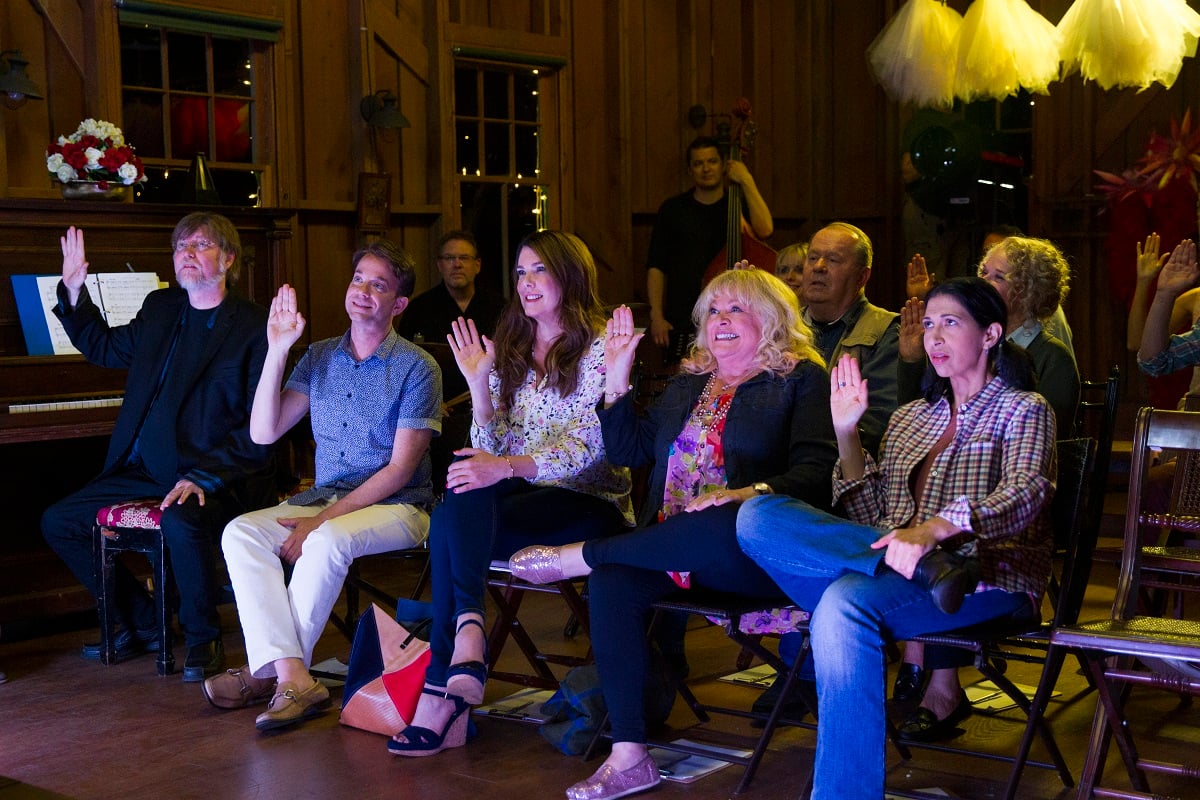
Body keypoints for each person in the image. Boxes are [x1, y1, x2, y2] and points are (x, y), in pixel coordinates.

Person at [507, 268, 837, 800]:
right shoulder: (691, 383)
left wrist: (744, 493)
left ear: (772, 319)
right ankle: (629, 755)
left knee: (715, 521)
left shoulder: (799, 380)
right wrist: (616, 380)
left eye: (736, 309)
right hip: (669, 555)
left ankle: (583, 555)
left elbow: (816, 473)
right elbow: (628, 452)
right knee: (614, 580)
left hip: (751, 557)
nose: (720, 321)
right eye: (713, 311)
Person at [737, 277, 1056, 800]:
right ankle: (929, 567)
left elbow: (1029, 492)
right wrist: (846, 432)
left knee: (839, 605)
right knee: (756, 515)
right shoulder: (910, 418)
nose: (933, 336)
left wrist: (937, 528)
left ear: (992, 333)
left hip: (985, 579)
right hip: (903, 570)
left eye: (949, 322)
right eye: (928, 324)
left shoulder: (1024, 408)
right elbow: (870, 516)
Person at [387, 230, 633, 758]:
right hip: (523, 495)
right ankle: (469, 636)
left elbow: (593, 448)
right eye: (520, 273)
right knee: (465, 485)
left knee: (461, 512)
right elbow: (489, 445)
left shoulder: (601, 346)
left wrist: (503, 467)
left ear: (571, 275)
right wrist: (479, 386)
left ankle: (443, 690)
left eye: (539, 270)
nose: (526, 283)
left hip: (590, 504)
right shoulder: (515, 346)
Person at [202, 241, 441, 731]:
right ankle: (293, 676)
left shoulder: (419, 367)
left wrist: (319, 521)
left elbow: (398, 471)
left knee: (326, 539)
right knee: (239, 533)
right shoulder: (319, 356)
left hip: (399, 506)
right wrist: (276, 349)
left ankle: (267, 676)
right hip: (324, 499)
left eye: (380, 285)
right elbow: (263, 432)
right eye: (359, 279)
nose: (364, 291)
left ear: (399, 304)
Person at [41, 214, 275, 683]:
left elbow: (260, 428)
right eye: (180, 245)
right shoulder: (161, 306)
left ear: (228, 258)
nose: (186, 253)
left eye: (200, 245)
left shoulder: (254, 326)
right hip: (143, 466)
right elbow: (106, 349)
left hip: (214, 474)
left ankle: (203, 638)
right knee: (59, 520)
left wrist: (202, 477)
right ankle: (146, 621)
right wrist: (73, 292)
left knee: (180, 519)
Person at [892, 236, 1079, 718]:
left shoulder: (1034, 380)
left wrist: (939, 524)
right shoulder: (934, 398)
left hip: (1005, 524)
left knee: (959, 490)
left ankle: (932, 673)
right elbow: (917, 421)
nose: (986, 281)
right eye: (984, 272)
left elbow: (1029, 472)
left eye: (998, 275)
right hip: (942, 515)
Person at [647, 136, 773, 361]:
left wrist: (746, 180)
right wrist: (656, 314)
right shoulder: (673, 209)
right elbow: (657, 265)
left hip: (735, 322)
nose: (706, 168)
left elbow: (765, 229)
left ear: (724, 165)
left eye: (712, 161)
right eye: (698, 163)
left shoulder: (738, 205)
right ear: (690, 169)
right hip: (683, 317)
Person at [397, 230, 506, 398]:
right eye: (449, 258)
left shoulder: (501, 307)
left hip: (491, 400)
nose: (457, 264)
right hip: (436, 405)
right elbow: (403, 363)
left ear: (477, 265)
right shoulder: (419, 309)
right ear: (439, 265)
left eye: (464, 258)